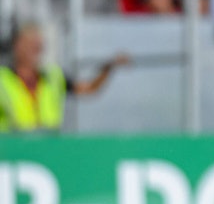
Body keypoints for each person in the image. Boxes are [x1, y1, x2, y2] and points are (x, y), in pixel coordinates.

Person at [0, 23, 128, 132]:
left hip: (48, 146)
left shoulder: (53, 76)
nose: (36, 51)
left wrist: (108, 68)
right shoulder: (3, 78)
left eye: (38, 47)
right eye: (30, 46)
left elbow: (89, 88)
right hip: (13, 148)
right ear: (17, 46)